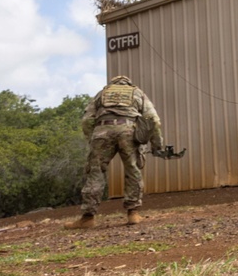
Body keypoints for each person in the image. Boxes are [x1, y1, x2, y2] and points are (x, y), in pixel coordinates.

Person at [68, 75, 167, 228]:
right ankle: (133, 213)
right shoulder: (137, 93)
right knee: (132, 169)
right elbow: (153, 119)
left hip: (102, 130)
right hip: (128, 130)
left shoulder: (102, 93)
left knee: (95, 171)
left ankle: (88, 218)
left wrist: (92, 139)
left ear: (112, 83)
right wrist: (156, 144)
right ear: (128, 83)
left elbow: (87, 120)